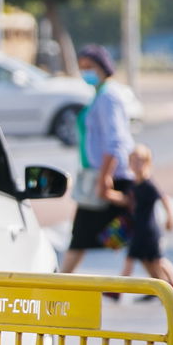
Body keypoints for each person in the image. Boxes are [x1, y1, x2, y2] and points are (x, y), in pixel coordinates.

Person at [60, 43, 134, 276]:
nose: (86, 73)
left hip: (109, 178)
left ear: (103, 67)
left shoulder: (109, 97)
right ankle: (166, 285)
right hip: (98, 175)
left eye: (89, 67)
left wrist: (105, 178)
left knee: (83, 236)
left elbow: (116, 141)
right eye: (82, 68)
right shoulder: (99, 94)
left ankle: (58, 284)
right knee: (132, 238)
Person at [119, 144, 173, 300]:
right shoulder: (135, 184)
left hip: (149, 230)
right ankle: (159, 288)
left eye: (140, 161)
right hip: (138, 229)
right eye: (133, 161)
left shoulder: (148, 184)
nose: (136, 165)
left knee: (157, 260)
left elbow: (164, 198)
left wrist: (170, 218)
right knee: (147, 261)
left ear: (147, 163)